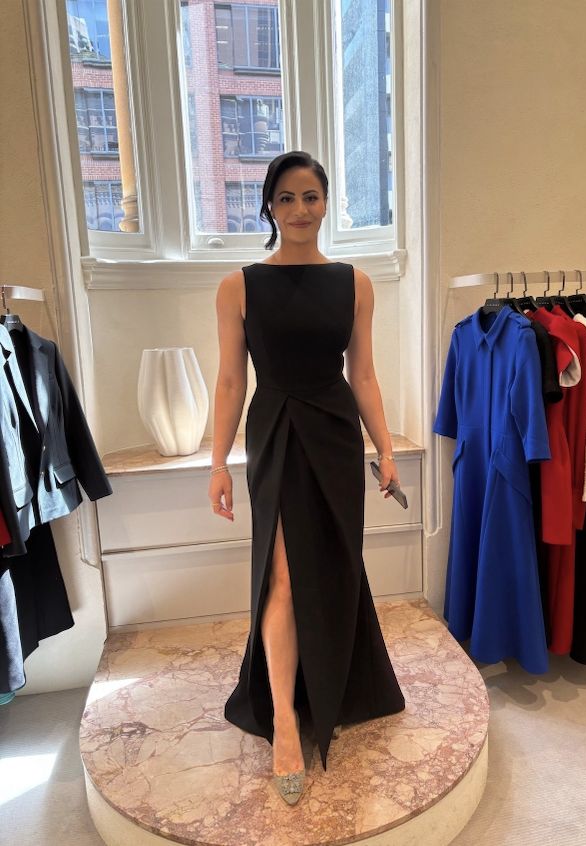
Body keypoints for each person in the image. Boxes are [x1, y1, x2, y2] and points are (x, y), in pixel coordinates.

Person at [209, 150, 405, 805]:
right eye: (287, 198)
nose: (299, 209)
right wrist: (218, 462)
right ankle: (287, 723)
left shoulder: (355, 283)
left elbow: (364, 374)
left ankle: (340, 686)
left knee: (334, 564)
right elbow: (231, 380)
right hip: (275, 433)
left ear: (326, 204)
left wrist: (385, 448)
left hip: (335, 433)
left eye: (311, 197)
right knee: (284, 577)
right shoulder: (238, 286)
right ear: (269, 205)